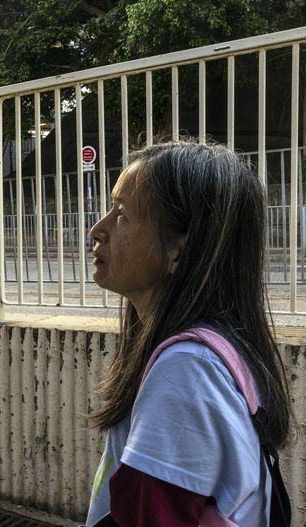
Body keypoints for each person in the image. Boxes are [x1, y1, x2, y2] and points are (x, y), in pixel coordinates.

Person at [86, 141, 291, 526]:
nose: (98, 230)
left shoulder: (188, 371)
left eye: (123, 215)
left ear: (177, 250)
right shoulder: (212, 350)